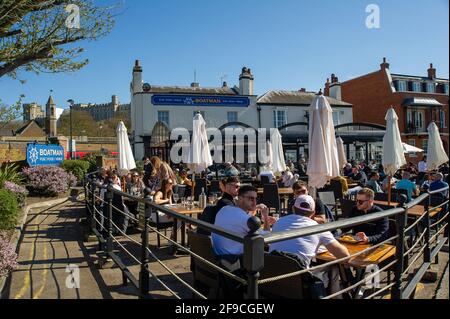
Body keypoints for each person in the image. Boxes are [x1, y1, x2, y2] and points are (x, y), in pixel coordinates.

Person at [270, 195, 349, 268]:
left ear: (293, 209)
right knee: (332, 267)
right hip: (298, 279)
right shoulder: (318, 228)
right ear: (313, 213)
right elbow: (344, 255)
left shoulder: (278, 222)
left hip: (271, 275)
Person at [212, 185, 275, 256]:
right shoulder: (244, 218)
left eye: (256, 199)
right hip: (235, 260)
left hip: (218, 255)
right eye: (251, 199)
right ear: (240, 198)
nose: (255, 203)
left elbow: (241, 218)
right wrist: (266, 217)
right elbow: (267, 239)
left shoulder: (224, 209)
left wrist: (253, 208)